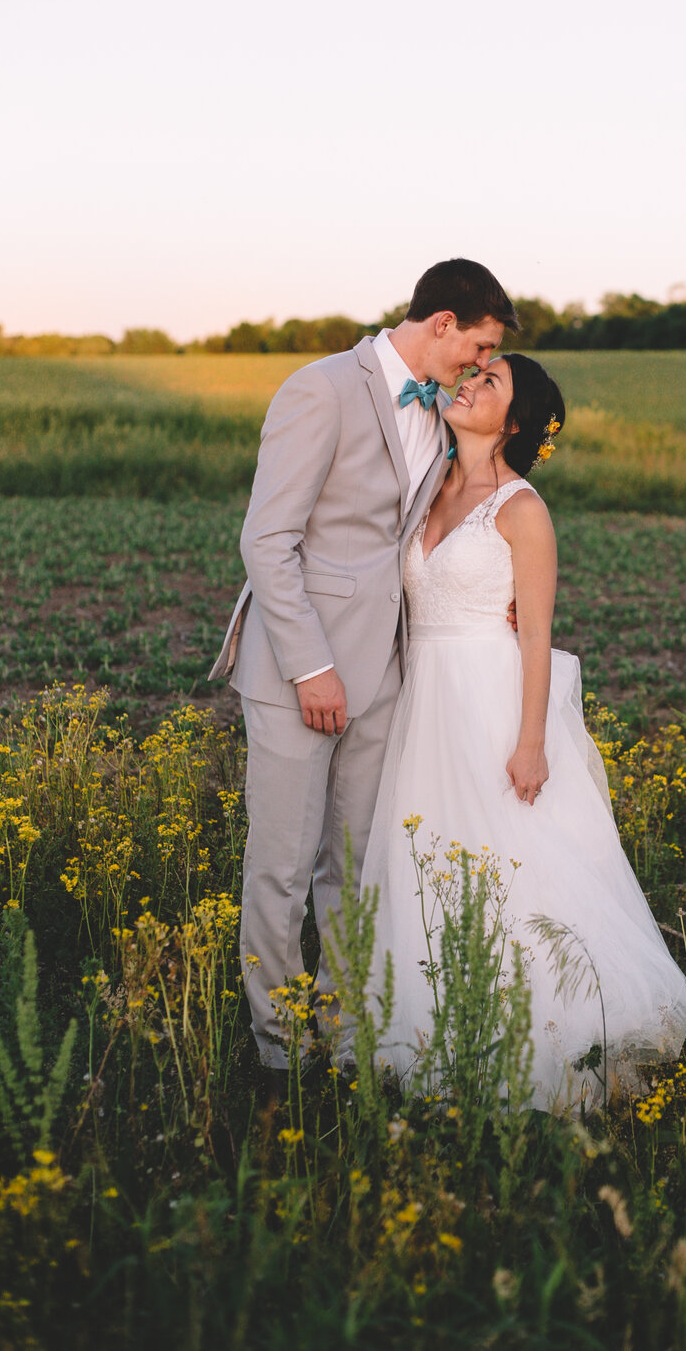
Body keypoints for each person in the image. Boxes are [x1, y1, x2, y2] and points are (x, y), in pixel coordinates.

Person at [360, 353, 686, 1108]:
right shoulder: (427, 487)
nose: (469, 384)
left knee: (507, 858)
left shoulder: (522, 510)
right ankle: (426, 1016)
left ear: (514, 422)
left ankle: (544, 1029)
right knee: (428, 856)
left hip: (490, 700)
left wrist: (530, 744)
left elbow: (536, 634)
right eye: (472, 374)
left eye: (490, 383)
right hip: (425, 704)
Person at [209, 260, 520, 1068]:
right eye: (480, 346)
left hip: (386, 672)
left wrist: (491, 592)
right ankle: (279, 1048)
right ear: (443, 323)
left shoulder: (441, 411)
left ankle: (345, 1039)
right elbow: (267, 540)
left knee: (352, 868)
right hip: (298, 671)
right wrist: (311, 668)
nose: (482, 367)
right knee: (280, 867)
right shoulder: (321, 388)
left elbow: (430, 531)